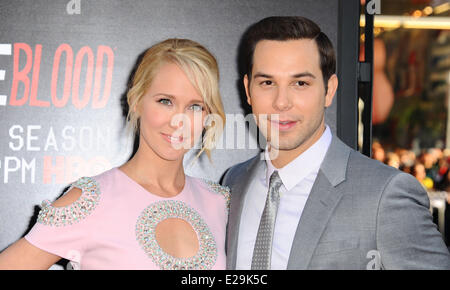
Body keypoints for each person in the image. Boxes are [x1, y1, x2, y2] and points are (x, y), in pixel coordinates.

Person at [222, 16, 450, 270]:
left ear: (329, 90)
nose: (281, 102)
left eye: (300, 83)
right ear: (248, 90)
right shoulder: (234, 182)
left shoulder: (385, 195)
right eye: (267, 82)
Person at [0, 38, 229, 270]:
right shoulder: (90, 201)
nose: (179, 121)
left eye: (195, 106)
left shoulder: (219, 203)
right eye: (165, 101)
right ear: (137, 101)